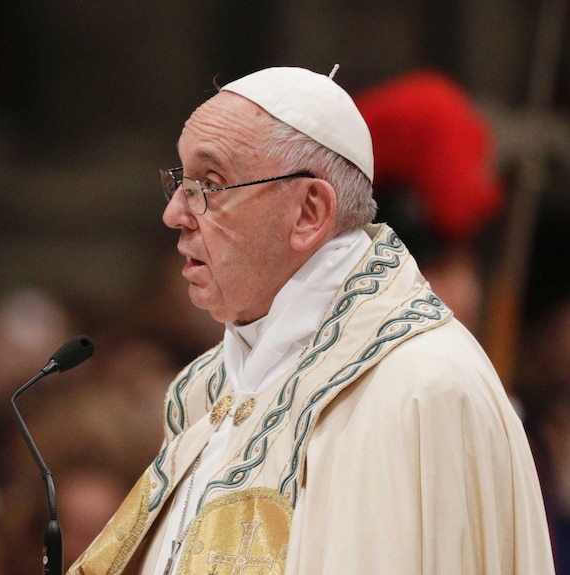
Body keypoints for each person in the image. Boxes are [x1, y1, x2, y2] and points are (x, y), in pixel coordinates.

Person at [66, 66, 555, 575]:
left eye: (209, 184)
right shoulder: (203, 390)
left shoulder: (419, 389)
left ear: (308, 212)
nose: (174, 212)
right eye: (180, 181)